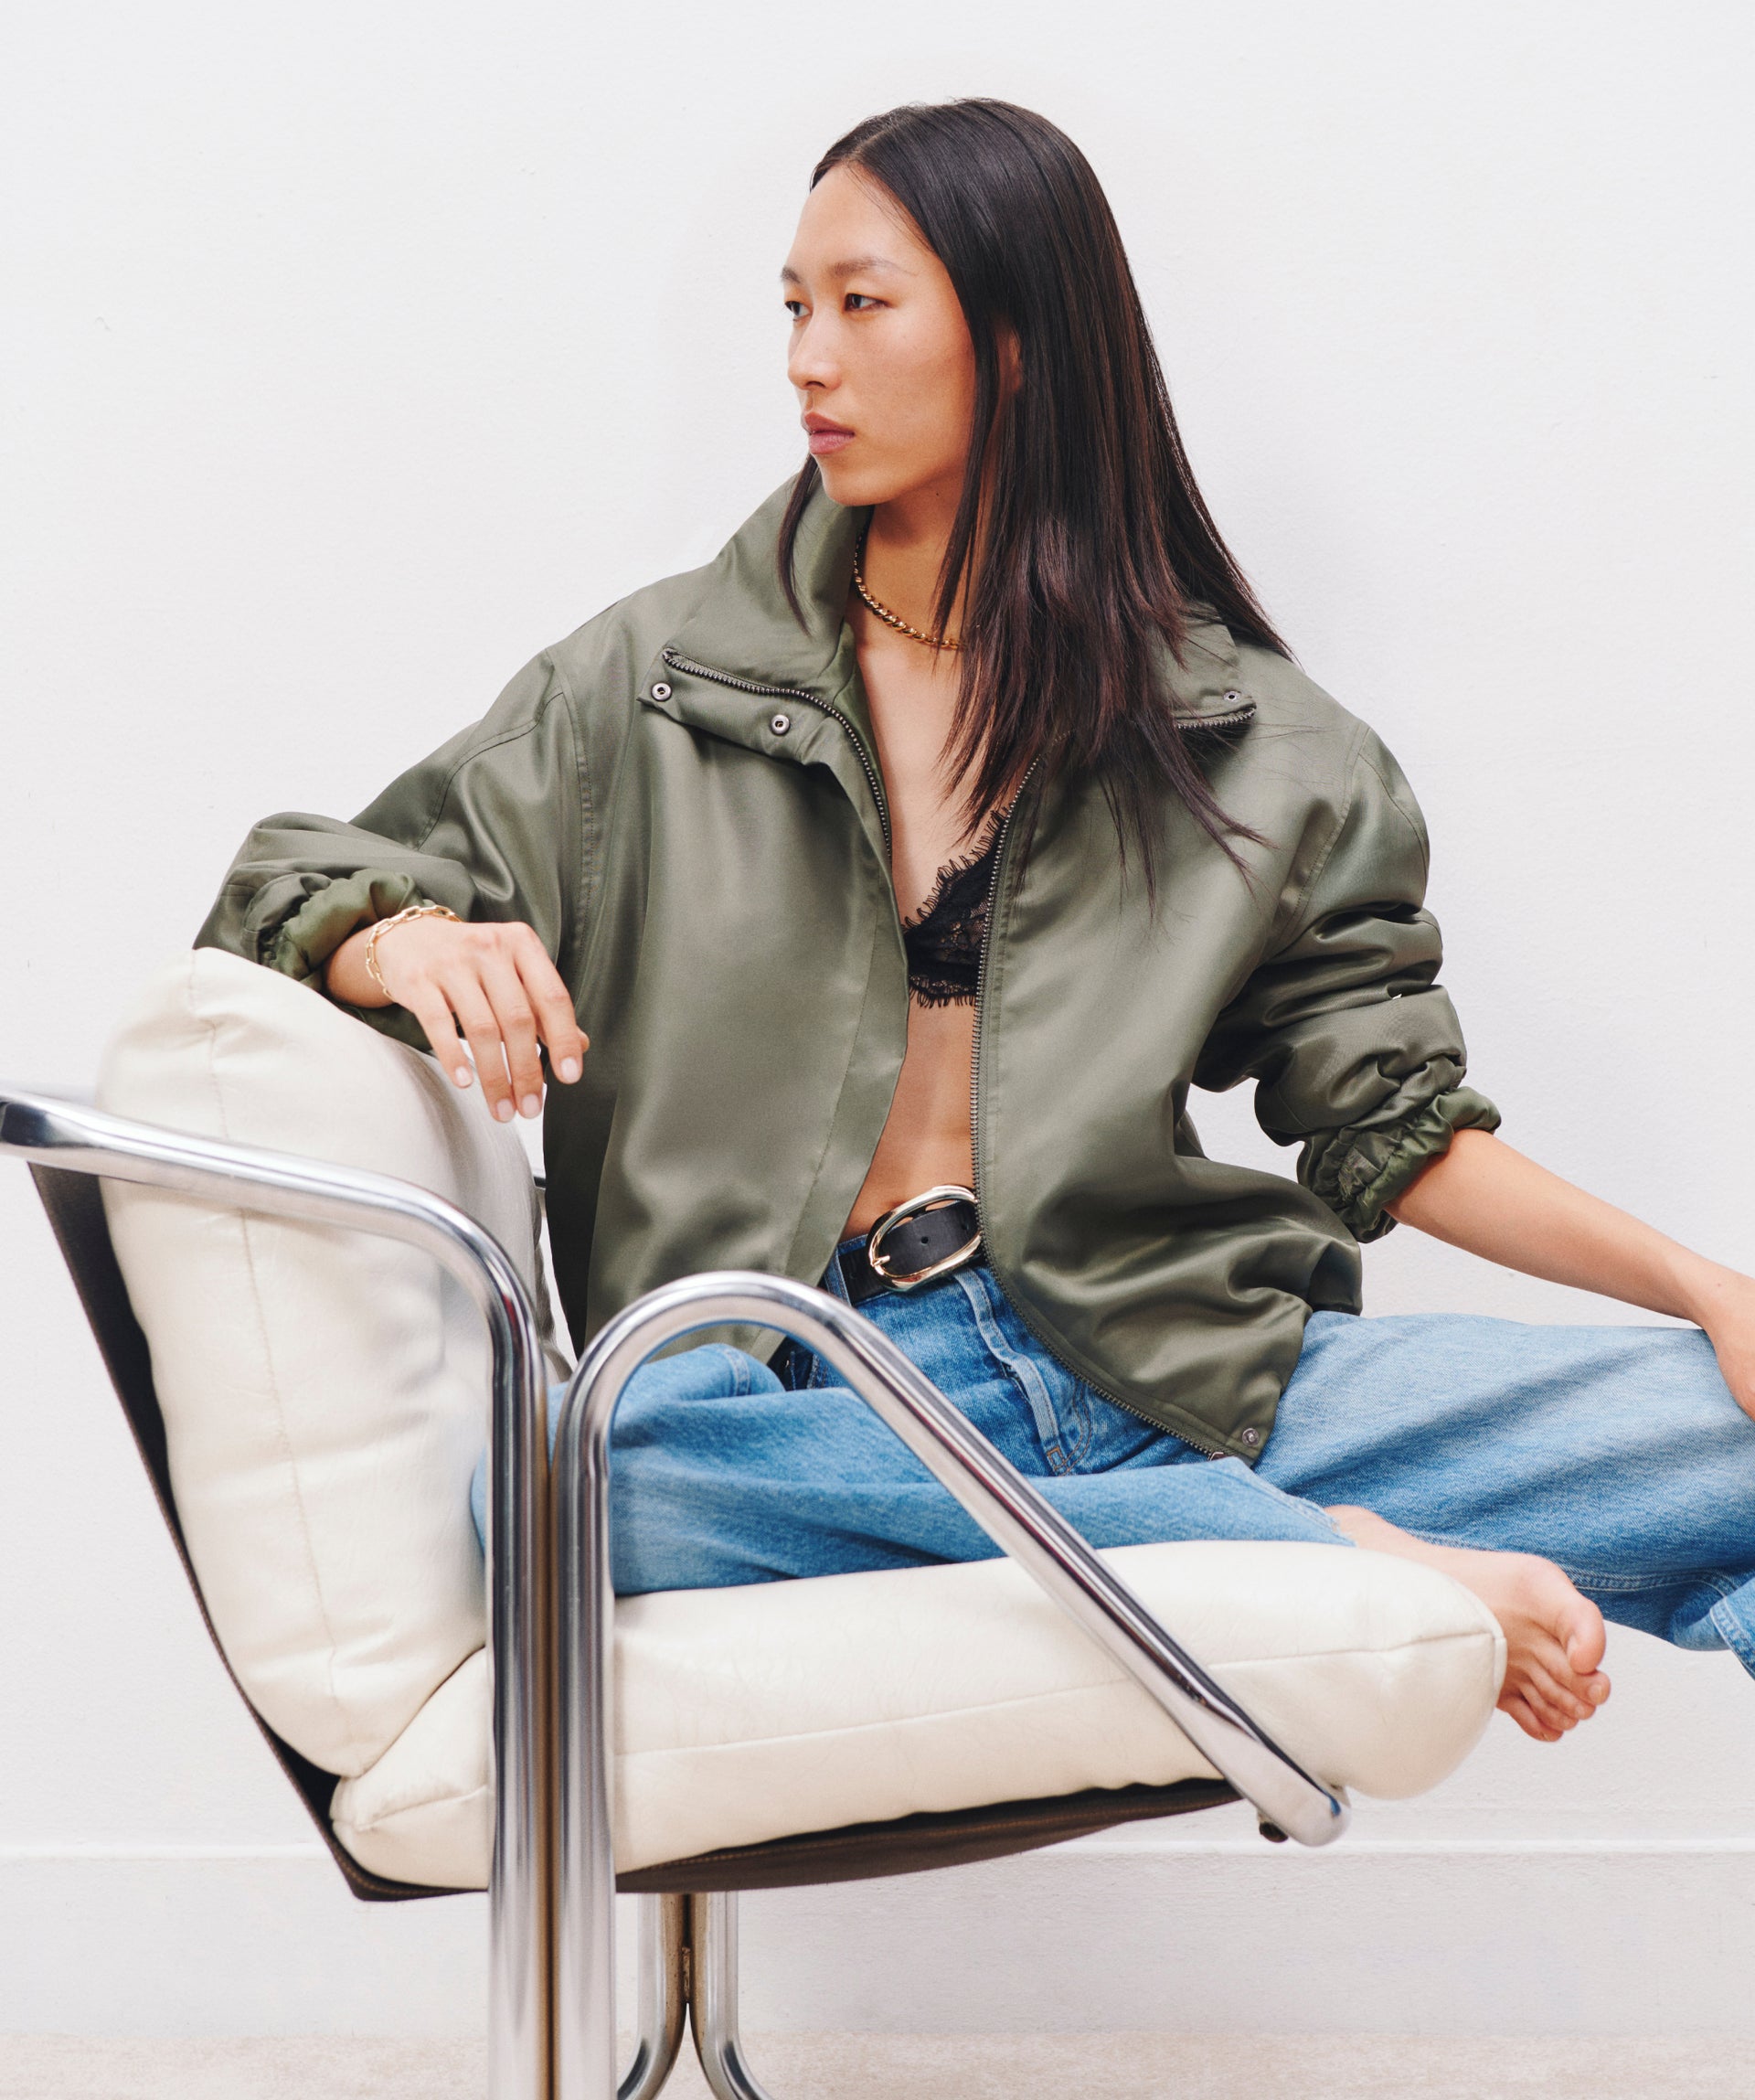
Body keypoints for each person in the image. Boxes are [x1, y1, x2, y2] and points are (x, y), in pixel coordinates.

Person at [200, 99, 1755, 1751]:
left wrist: (1707, 1283)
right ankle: (1326, 1566)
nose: (807, 360)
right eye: (794, 307)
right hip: (805, 1402)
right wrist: (400, 936)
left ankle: (1237, 1543)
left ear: (1016, 341)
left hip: (1171, 1371)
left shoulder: (1254, 744)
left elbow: (1395, 1128)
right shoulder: (648, 693)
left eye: (861, 304)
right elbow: (290, 880)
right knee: (590, 1488)